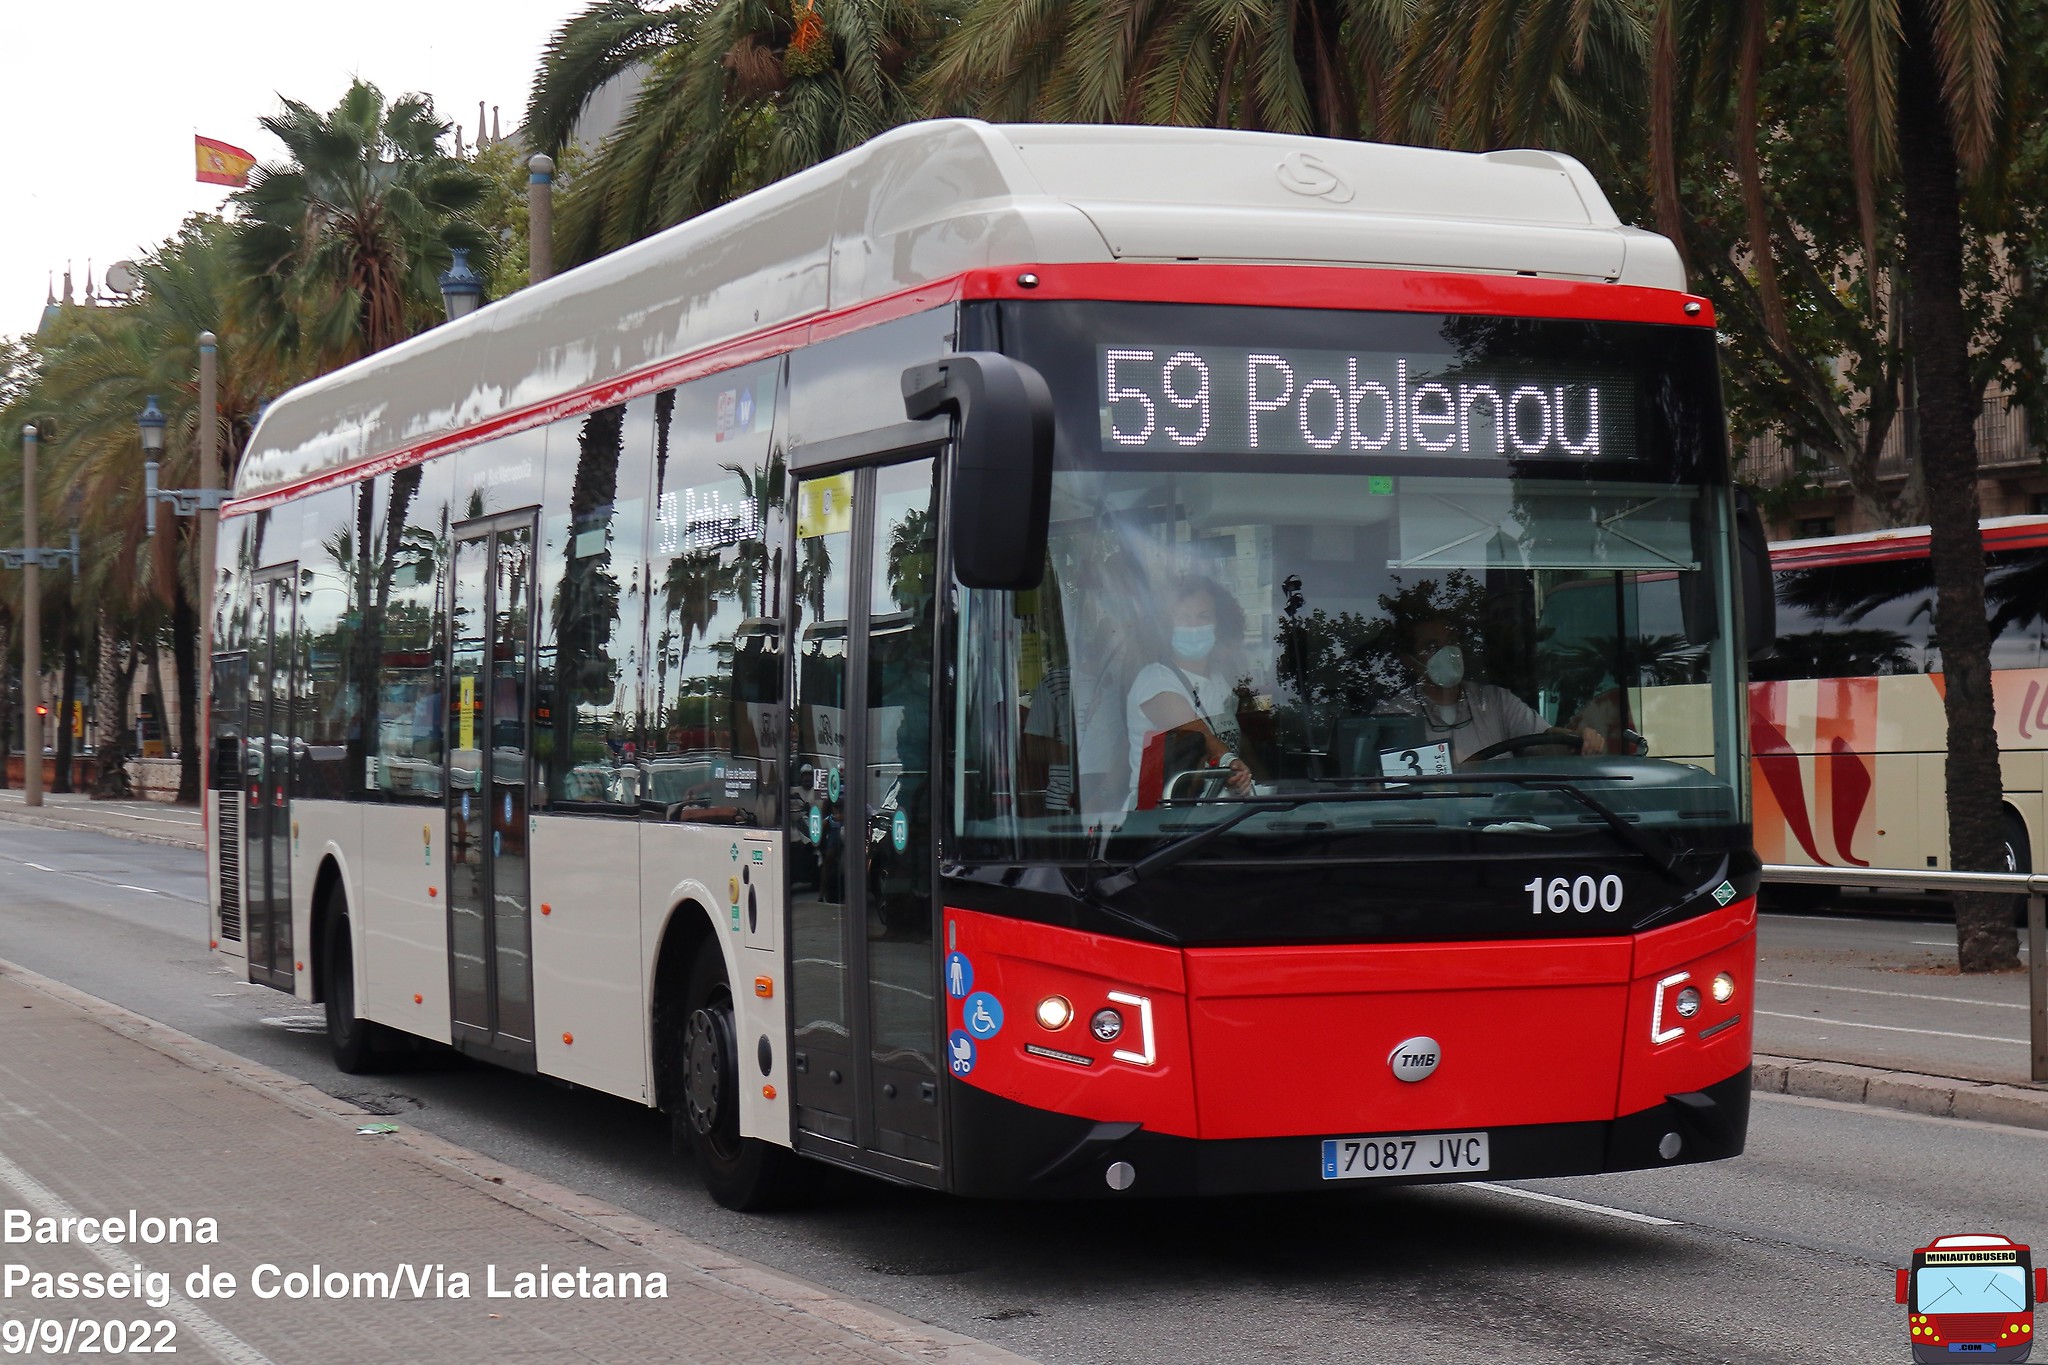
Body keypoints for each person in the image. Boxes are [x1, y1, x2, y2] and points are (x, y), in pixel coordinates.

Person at [1381, 616, 1606, 767]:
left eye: (1451, 641)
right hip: (1429, 821)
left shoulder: (1496, 702)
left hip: (1498, 818)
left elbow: (1545, 739)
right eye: (1432, 646)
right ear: (1409, 661)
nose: (1447, 652)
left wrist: (1579, 739)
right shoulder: (1393, 715)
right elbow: (1382, 785)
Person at [1126, 576, 1255, 805]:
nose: (1194, 627)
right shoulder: (1154, 680)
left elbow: (1238, 742)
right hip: (1166, 820)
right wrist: (1228, 762)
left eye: (1204, 616)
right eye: (1182, 618)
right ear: (1165, 625)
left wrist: (1255, 780)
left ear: (1220, 622)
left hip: (1221, 815)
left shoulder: (1221, 680)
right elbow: (1197, 733)